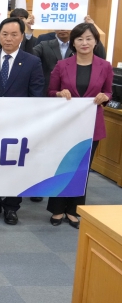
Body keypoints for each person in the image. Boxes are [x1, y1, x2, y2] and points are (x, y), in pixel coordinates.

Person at [0, 17, 45, 225]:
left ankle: (12, 207)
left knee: (15, 166)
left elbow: (36, 95)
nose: (8, 39)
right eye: (5, 34)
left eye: (14, 35)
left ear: (22, 37)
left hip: (19, 125)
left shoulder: (32, 62)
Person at [47, 22, 113, 228]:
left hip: (91, 125)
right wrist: (59, 93)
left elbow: (109, 92)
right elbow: (50, 92)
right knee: (63, 166)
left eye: (88, 39)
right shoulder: (62, 65)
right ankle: (57, 209)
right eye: (80, 39)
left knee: (82, 169)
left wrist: (105, 97)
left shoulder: (105, 66)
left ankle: (74, 210)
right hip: (65, 125)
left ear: (95, 42)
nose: (84, 42)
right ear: (73, 43)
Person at [33, 26, 106, 92]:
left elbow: (101, 56)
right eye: (60, 25)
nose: (62, 29)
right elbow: (30, 57)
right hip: (49, 92)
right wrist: (28, 34)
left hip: (75, 91)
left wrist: (92, 28)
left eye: (66, 26)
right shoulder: (44, 44)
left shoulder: (80, 45)